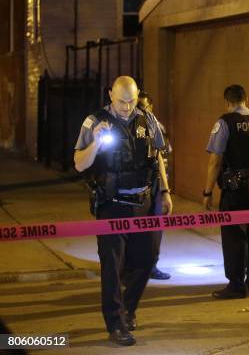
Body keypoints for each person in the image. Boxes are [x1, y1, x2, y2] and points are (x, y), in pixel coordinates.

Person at [74, 76, 173, 346]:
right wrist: (95, 143)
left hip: (144, 202)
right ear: (110, 95)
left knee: (146, 259)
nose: (127, 107)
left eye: (132, 101)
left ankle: (129, 309)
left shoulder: (148, 119)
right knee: (112, 267)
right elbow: (79, 164)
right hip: (112, 205)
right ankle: (116, 323)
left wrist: (164, 191)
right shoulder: (94, 121)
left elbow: (159, 157)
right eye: (121, 102)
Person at [203, 84, 249, 299]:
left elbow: (215, 161)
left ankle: (236, 285)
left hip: (235, 186)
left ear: (227, 102)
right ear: (246, 99)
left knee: (234, 234)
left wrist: (207, 193)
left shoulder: (224, 122)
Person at [137, 91, 171, 281]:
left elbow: (164, 157)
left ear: (151, 108)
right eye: (138, 106)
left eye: (144, 106)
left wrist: (166, 190)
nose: (141, 110)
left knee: (155, 229)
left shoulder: (158, 127)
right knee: (136, 229)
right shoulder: (131, 128)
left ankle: (152, 266)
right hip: (141, 184)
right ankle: (133, 268)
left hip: (157, 183)